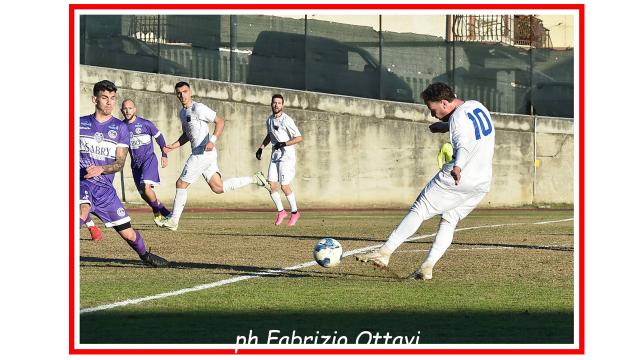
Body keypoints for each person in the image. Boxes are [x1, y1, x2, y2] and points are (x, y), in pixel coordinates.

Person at [355, 82, 495, 280]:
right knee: (449, 220)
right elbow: (472, 131)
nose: (432, 114)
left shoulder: (458, 119)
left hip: (459, 176)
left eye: (433, 109)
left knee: (420, 210)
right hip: (481, 181)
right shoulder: (476, 106)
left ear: (445, 103)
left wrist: (458, 166)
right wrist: (445, 126)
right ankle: (427, 267)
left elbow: (463, 146)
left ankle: (384, 252)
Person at [80, 80, 169, 267]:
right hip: (81, 183)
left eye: (112, 98)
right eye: (104, 98)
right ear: (94, 99)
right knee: (82, 210)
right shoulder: (79, 124)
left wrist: (101, 169)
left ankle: (146, 256)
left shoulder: (120, 128)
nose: (109, 102)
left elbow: (120, 163)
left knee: (129, 233)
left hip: (105, 191)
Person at [160, 81, 270, 231]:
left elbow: (220, 122)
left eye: (185, 91)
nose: (182, 95)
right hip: (204, 154)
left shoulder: (199, 108)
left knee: (181, 184)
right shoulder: (183, 113)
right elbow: (187, 135)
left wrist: (212, 140)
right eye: (179, 93)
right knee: (218, 187)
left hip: (203, 153)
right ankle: (254, 178)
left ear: (190, 92)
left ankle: (174, 220)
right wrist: (172, 146)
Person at [120, 99, 172, 226]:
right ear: (122, 110)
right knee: (144, 195)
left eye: (130, 108)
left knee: (146, 187)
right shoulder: (121, 127)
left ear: (135, 109)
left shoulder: (145, 124)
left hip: (149, 160)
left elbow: (159, 137)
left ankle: (157, 214)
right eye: (125, 108)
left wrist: (164, 155)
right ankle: (167, 214)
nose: (128, 111)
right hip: (135, 165)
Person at [255, 94, 304, 226]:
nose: (276, 105)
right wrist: (261, 148)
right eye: (274, 103)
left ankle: (295, 213)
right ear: (271, 104)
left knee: (284, 186)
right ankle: (281, 211)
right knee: (271, 185)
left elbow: (299, 137)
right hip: (275, 156)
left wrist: (284, 143)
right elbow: (270, 135)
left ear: (282, 105)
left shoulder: (286, 120)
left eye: (279, 103)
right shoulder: (269, 120)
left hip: (286, 157)